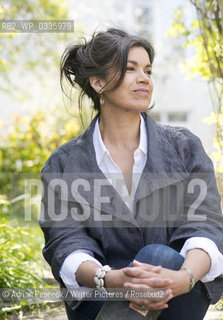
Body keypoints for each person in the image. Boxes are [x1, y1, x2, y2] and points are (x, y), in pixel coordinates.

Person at [39, 28, 223, 320]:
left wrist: (184, 277)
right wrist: (113, 281)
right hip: (101, 295)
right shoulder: (62, 164)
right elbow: (65, 241)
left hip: (176, 293)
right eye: (130, 69)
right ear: (98, 82)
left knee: (160, 258)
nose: (144, 78)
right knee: (152, 261)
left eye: (148, 70)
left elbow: (206, 226)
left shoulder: (185, 148)